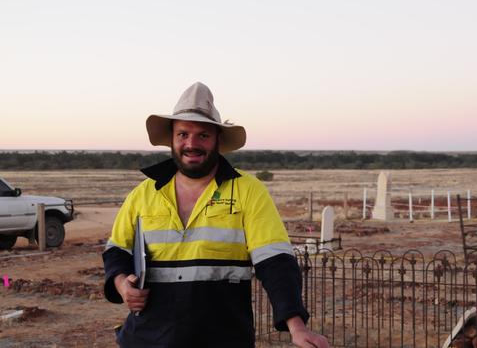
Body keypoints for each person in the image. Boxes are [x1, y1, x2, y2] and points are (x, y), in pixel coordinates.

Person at [102, 82, 329, 348]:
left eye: (203, 135)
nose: (191, 144)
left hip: (222, 339)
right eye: (183, 134)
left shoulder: (248, 191)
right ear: (172, 139)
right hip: (146, 339)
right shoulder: (143, 193)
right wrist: (122, 285)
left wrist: (296, 326)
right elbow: (117, 250)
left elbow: (275, 261)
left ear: (218, 140)